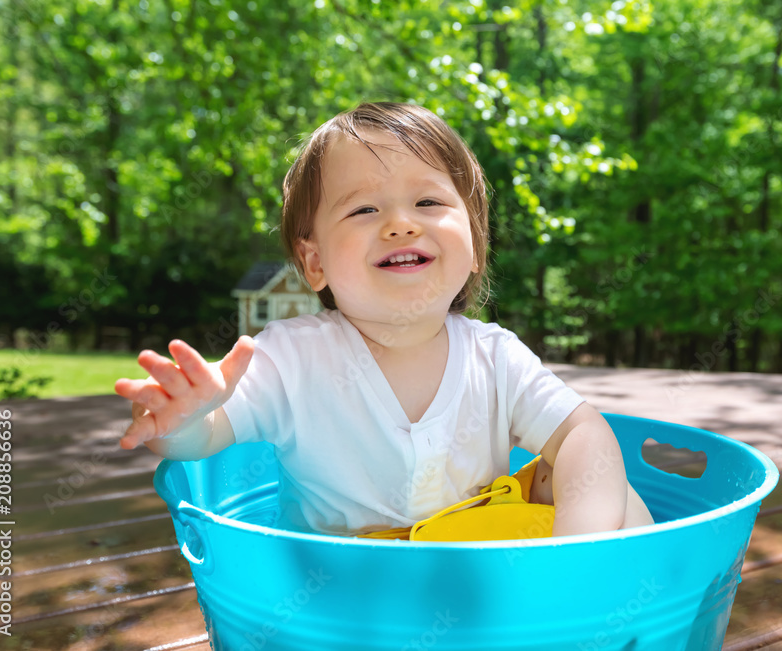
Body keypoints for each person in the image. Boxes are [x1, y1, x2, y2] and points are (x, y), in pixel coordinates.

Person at [115, 101, 653, 538]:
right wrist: (181, 422)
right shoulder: (291, 358)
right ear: (316, 262)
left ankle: (599, 612)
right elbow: (203, 442)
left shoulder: (496, 356)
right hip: (345, 591)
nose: (400, 224)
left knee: (604, 485)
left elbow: (582, 430)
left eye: (427, 201)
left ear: (474, 245)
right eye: (364, 210)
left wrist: (580, 549)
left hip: (476, 572)